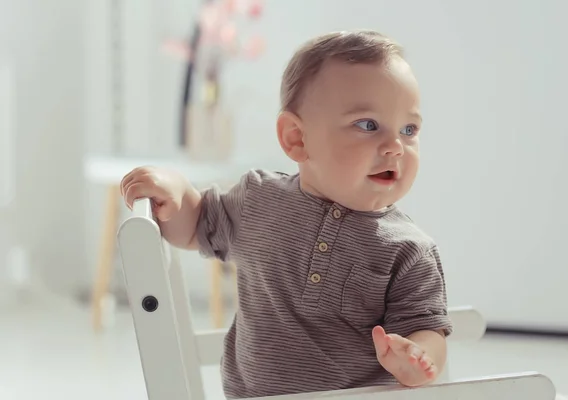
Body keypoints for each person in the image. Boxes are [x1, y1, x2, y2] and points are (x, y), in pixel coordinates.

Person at [120, 30, 453, 399]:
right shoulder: (259, 200)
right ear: (296, 139)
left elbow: (427, 329)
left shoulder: (409, 250)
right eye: (368, 125)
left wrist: (418, 357)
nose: (394, 147)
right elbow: (196, 226)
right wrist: (179, 192)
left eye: (409, 130)